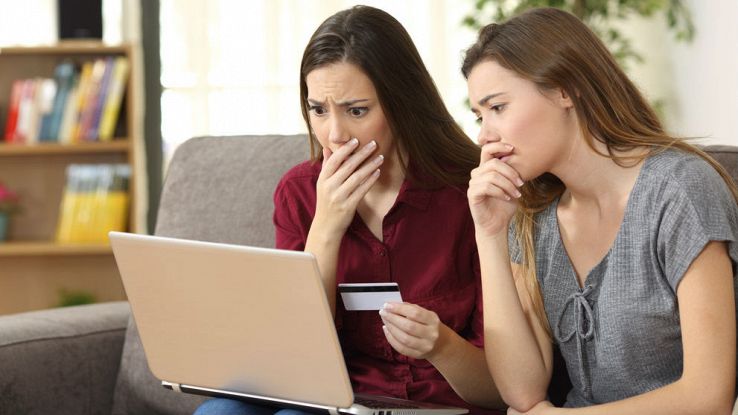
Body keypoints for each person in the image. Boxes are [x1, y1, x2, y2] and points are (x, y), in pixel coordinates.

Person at [195, 5, 504, 415]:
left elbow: (500, 389)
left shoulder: (471, 192)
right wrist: (326, 227)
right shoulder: (299, 193)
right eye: (318, 110)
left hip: (437, 404)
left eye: (356, 110)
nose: (334, 135)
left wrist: (441, 346)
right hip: (336, 400)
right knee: (221, 412)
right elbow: (291, 355)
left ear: (401, 103)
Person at [463, 7, 738, 414]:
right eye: (479, 116)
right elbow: (521, 392)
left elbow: (708, 398)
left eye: (497, 108)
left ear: (564, 89)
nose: (485, 136)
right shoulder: (532, 215)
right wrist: (488, 236)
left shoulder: (679, 189)